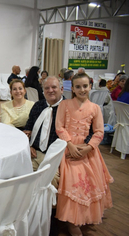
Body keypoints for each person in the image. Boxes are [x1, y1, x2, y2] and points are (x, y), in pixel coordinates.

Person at [55, 73, 113, 235]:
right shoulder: (65, 105)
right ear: (72, 88)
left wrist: (88, 148)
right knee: (73, 183)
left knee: (89, 185)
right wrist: (70, 145)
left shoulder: (95, 108)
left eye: (85, 86)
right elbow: (59, 127)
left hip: (88, 151)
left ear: (90, 86)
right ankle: (72, 222)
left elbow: (99, 132)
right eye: (78, 86)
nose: (82, 89)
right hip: (68, 148)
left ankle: (84, 217)